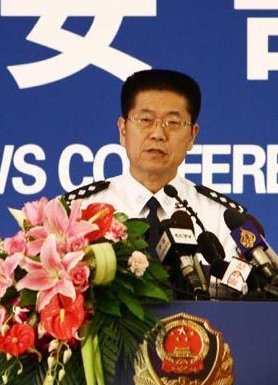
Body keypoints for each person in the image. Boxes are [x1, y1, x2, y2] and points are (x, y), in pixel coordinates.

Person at [64, 69, 245, 265]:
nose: (158, 133)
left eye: (173, 122)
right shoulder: (77, 211)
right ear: (123, 130)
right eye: (145, 120)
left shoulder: (224, 220)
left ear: (192, 135)